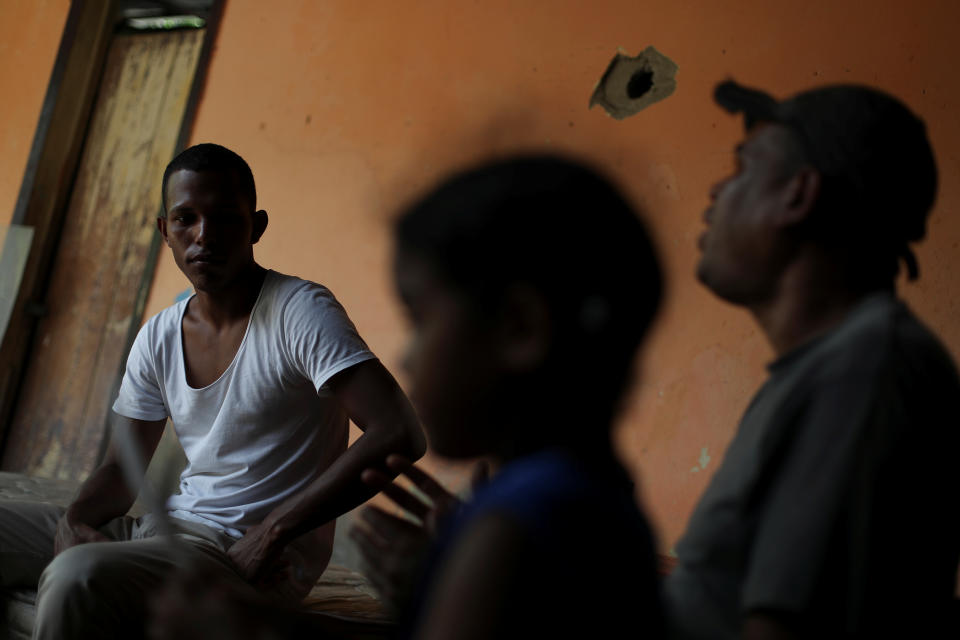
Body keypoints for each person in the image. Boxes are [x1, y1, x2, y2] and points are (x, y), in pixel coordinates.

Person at [0, 143, 426, 639]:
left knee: (77, 578)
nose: (205, 236)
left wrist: (273, 532)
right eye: (186, 218)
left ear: (257, 226)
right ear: (165, 230)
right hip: (162, 536)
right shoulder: (159, 334)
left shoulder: (298, 311)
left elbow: (398, 431)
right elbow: (121, 468)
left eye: (225, 218)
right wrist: (73, 520)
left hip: (244, 555)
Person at [663, 81, 960, 638]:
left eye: (741, 168)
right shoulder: (825, 369)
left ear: (798, 195)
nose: (716, 192)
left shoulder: (864, 368)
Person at [352, 155, 666, 639]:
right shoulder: (595, 495)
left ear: (520, 328)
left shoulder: (512, 527)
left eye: (419, 320)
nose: (407, 357)